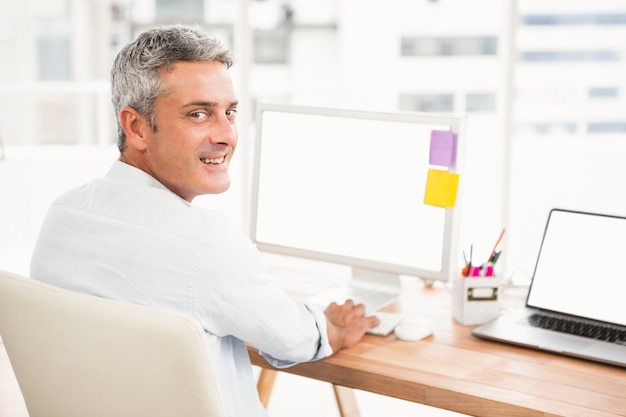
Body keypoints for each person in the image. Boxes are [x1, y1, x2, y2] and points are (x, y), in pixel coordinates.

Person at [30, 24, 379, 417]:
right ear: (136, 127)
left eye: (229, 112)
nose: (227, 134)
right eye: (199, 114)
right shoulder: (205, 245)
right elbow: (294, 340)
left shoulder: (63, 216)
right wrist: (332, 326)